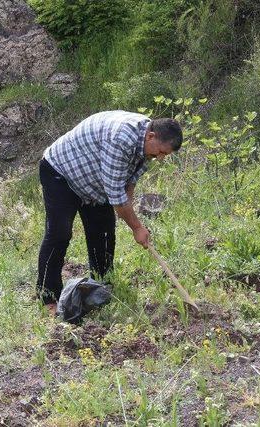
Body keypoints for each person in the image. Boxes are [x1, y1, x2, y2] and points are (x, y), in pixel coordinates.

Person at [36, 111, 183, 315]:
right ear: (151, 136)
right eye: (160, 152)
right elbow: (116, 195)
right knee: (59, 234)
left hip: (94, 181)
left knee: (103, 232)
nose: (160, 158)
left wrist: (128, 207)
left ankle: (100, 286)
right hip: (61, 173)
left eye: (165, 155)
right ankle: (48, 297)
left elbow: (129, 182)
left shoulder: (148, 144)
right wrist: (137, 227)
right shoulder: (121, 138)